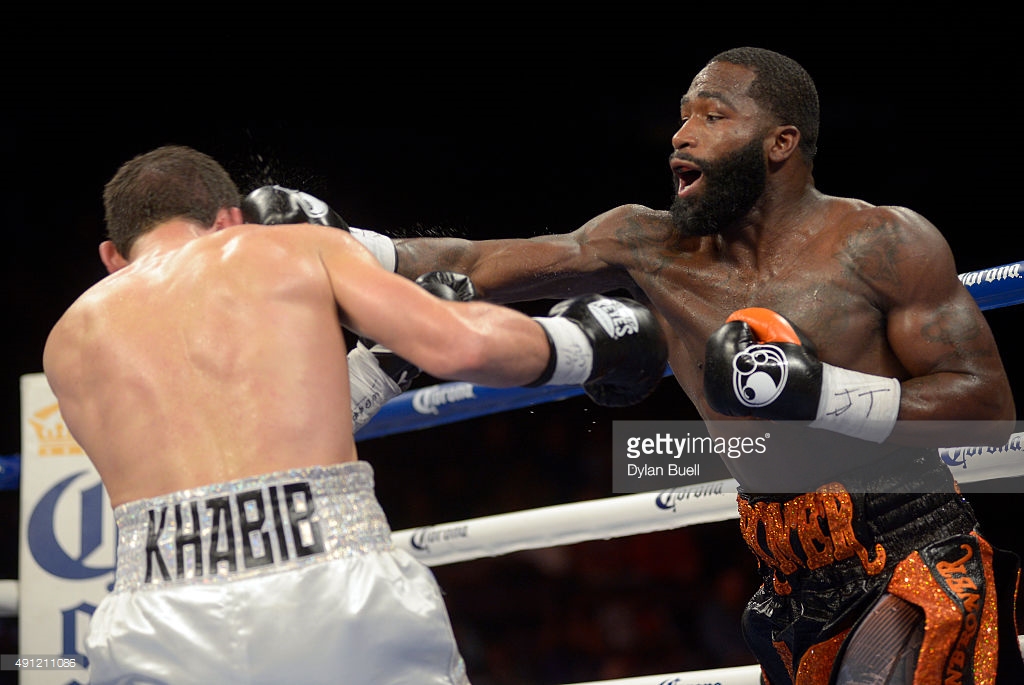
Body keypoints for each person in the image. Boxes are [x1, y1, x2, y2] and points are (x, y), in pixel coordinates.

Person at [300, 47, 1022, 683]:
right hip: (787, 578)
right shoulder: (647, 244)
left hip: (906, 546)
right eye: (682, 117)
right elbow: (476, 261)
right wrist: (341, 245)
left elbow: (986, 405)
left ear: (780, 142)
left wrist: (823, 395)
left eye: (712, 115)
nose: (682, 134)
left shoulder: (881, 241)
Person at [41, 145, 668, 685]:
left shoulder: (68, 340)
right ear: (232, 219)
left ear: (110, 256)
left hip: (154, 613)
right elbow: (463, 344)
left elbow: (223, 444)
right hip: (330, 582)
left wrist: (376, 369)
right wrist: (588, 347)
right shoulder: (285, 250)